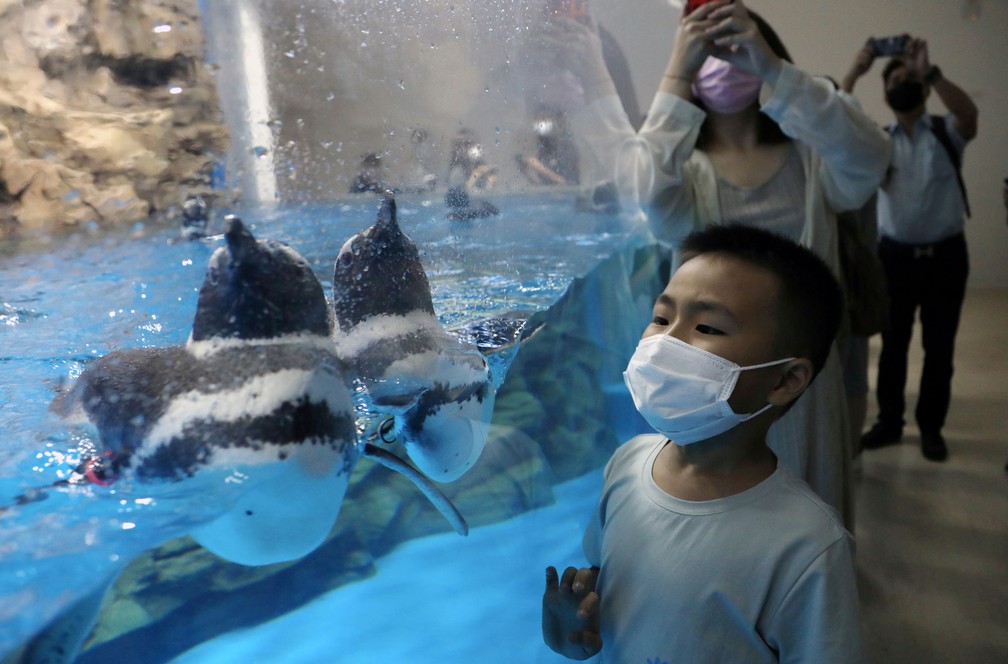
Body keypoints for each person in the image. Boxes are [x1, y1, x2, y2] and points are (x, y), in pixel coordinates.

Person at [546, 0, 891, 527]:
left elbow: (869, 155)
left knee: (809, 513)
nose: (721, 59)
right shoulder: (688, 174)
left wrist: (778, 74)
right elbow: (648, 197)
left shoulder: (813, 158)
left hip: (805, 383)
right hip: (709, 383)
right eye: (704, 46)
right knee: (718, 514)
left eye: (733, 43)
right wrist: (676, 74)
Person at [543, 224, 862, 663]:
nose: (664, 342)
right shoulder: (626, 464)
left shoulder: (807, 546)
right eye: (660, 317)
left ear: (786, 379)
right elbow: (609, 581)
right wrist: (574, 628)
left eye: (707, 326)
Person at [844, 36, 978, 462]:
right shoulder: (877, 142)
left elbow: (968, 114)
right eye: (896, 79)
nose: (904, 83)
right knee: (895, 346)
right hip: (895, 259)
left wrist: (930, 70)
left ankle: (931, 429)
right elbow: (836, 123)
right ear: (885, 93)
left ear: (922, 87)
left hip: (946, 257)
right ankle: (888, 422)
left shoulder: (944, 133)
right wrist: (856, 70)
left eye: (910, 78)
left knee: (940, 348)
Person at [515, 105, 581, 186]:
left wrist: (540, 168)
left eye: (544, 119)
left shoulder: (565, 146)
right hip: (550, 196)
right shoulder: (544, 147)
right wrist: (527, 173)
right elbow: (543, 186)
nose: (540, 124)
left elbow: (569, 183)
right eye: (537, 121)